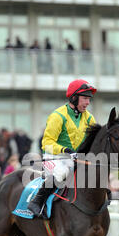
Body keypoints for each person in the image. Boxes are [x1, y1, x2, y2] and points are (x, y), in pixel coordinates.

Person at [27, 79, 96, 217]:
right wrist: (64, 150)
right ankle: (37, 201)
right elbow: (46, 142)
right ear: (74, 98)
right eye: (84, 98)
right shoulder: (58, 116)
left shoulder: (89, 118)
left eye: (89, 99)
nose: (88, 102)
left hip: (77, 158)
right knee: (61, 173)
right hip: (55, 158)